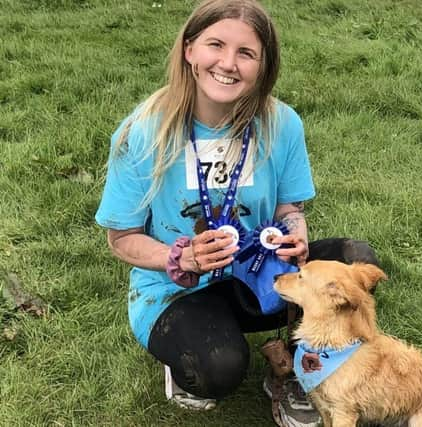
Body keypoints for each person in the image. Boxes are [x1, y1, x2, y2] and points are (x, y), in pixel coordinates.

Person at [95, 1, 379, 426]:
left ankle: (304, 369)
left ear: (263, 66)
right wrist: (181, 257)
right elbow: (121, 237)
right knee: (217, 369)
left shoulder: (282, 124)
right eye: (215, 45)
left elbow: (290, 208)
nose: (228, 64)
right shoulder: (142, 132)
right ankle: (192, 353)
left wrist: (294, 234)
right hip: (178, 288)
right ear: (190, 49)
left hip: (260, 275)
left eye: (246, 53)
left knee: (358, 262)